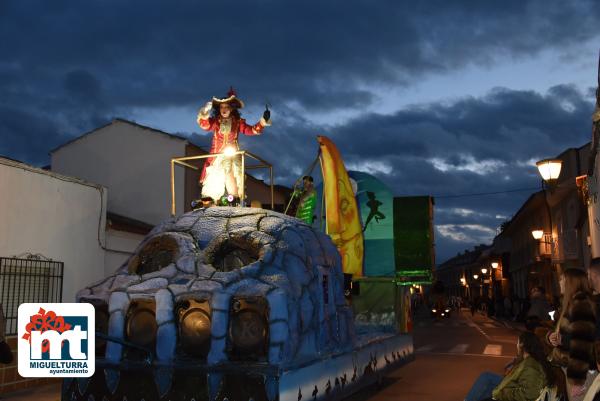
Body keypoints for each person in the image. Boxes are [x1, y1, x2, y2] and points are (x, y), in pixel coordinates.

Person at [197, 88, 271, 203]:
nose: (224, 109)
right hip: (217, 156)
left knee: (234, 176)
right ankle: (209, 203)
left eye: (226, 107)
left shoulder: (238, 122)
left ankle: (235, 200)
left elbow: (250, 130)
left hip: (233, 155)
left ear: (231, 108)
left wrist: (262, 122)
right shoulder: (216, 121)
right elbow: (205, 126)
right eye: (221, 107)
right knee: (214, 178)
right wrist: (205, 112)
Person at [545, 268, 596, 400]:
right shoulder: (569, 304)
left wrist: (577, 382)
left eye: (562, 279)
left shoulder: (581, 305)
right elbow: (561, 331)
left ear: (571, 282)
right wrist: (551, 337)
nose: (559, 282)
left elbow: (583, 345)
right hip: (571, 370)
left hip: (580, 373)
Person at [464, 331, 554, 401]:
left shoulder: (531, 367)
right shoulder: (530, 359)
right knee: (487, 379)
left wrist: (503, 392)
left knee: (487, 380)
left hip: (513, 390)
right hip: (515, 384)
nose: (517, 345)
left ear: (522, 345)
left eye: (518, 342)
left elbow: (529, 394)